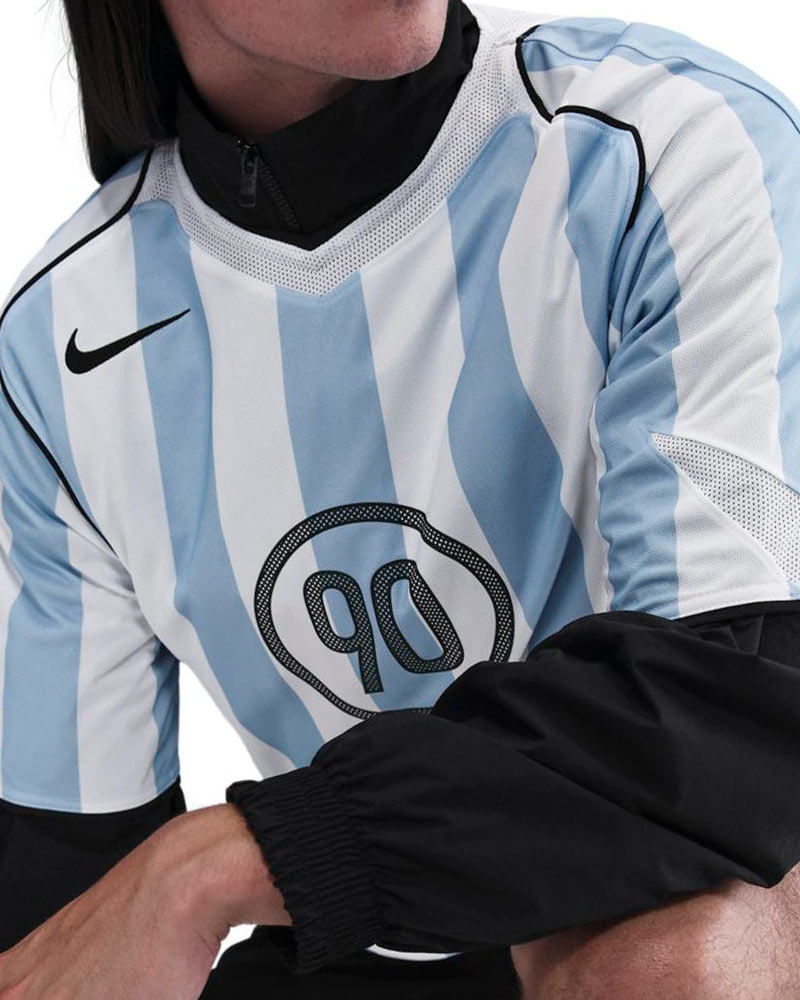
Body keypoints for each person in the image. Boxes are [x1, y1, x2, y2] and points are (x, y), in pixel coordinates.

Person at [1, 0, 800, 996]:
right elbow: (70, 904)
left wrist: (220, 863)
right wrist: (190, 882)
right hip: (369, 933)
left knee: (666, 965)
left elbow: (741, 718)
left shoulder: (667, 141)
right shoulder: (61, 338)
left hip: (705, 884)